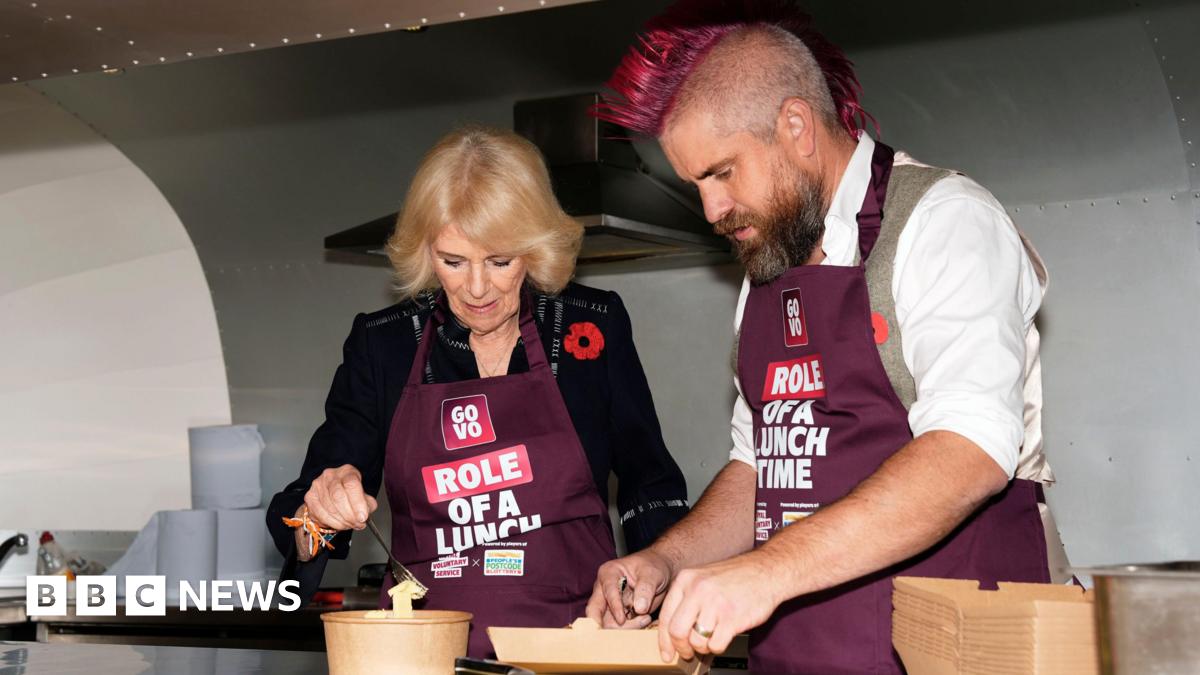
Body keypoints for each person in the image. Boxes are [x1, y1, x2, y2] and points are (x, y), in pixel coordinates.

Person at [585, 2, 1058, 672]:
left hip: (954, 652)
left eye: (722, 172)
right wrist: (666, 557)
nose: (713, 210)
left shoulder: (944, 222)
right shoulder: (767, 269)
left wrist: (764, 574)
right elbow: (762, 466)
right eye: (698, 185)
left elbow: (971, 450)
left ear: (796, 127)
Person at [266, 126, 689, 658]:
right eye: (453, 261)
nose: (477, 289)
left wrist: (654, 583)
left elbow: (648, 482)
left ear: (535, 249)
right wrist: (320, 513)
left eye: (500, 260)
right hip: (426, 657)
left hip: (576, 652)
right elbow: (299, 516)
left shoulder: (591, 326)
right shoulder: (386, 345)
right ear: (426, 253)